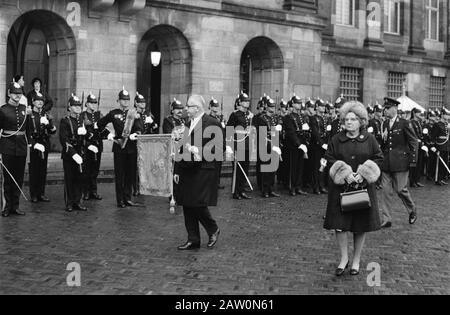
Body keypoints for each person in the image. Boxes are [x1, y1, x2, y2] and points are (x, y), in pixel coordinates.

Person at [324, 101, 383, 276]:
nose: (349, 122)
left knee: (360, 226)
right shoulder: (336, 139)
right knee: (340, 226)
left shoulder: (370, 139)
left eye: (353, 119)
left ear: (361, 121)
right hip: (341, 190)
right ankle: (344, 258)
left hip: (363, 189)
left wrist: (363, 173)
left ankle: (356, 260)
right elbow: (329, 158)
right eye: (346, 119)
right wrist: (345, 173)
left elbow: (379, 158)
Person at [174, 95, 221, 250]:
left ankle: (212, 228)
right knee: (187, 203)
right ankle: (193, 239)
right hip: (187, 168)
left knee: (198, 203)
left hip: (203, 169)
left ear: (198, 108)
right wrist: (177, 170)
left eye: (189, 106)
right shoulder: (187, 124)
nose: (186, 109)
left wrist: (199, 150)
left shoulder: (212, 123)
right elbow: (181, 148)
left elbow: (217, 148)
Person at [97, 88, 143, 208]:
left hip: (131, 147)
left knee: (130, 174)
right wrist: (108, 135)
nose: (126, 102)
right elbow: (99, 124)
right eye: (123, 99)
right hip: (119, 146)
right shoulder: (113, 113)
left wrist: (136, 133)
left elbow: (139, 127)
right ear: (118, 100)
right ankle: (120, 200)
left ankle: (127, 198)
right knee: (120, 174)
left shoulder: (133, 113)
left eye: (128, 99)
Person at [379, 97, 418, 228]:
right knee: (385, 191)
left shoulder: (404, 123)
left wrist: (413, 160)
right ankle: (386, 218)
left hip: (401, 162)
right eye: (385, 108)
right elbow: (384, 144)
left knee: (401, 190)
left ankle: (412, 209)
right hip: (386, 162)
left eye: (387, 108)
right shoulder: (384, 124)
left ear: (395, 109)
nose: (385, 110)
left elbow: (413, 142)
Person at [0, 81, 31, 217]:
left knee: (18, 178)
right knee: (7, 178)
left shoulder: (25, 108)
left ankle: (15, 206)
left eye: (19, 93)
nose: (17, 96)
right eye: (15, 93)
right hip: (7, 146)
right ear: (9, 94)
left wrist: (29, 144)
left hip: (21, 147)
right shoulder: (3, 110)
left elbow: (28, 129)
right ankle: (7, 206)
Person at [59, 95, 88, 212]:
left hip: (80, 154)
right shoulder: (65, 121)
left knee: (79, 179)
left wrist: (84, 134)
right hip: (69, 155)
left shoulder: (81, 120)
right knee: (69, 179)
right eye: (75, 105)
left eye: (79, 105)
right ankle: (69, 202)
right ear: (69, 107)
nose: (77, 108)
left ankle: (78, 201)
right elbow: (64, 139)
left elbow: (85, 139)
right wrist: (73, 154)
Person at [27, 92, 57, 203]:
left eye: (41, 101)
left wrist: (50, 124)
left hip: (44, 144)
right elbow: (27, 132)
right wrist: (34, 144)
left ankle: (41, 193)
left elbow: (51, 131)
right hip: (34, 146)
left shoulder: (45, 114)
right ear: (33, 102)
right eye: (38, 100)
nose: (40, 102)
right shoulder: (30, 115)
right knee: (34, 170)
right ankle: (34, 194)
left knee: (43, 170)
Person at [80, 93, 109, 201]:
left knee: (95, 169)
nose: (93, 105)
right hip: (87, 145)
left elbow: (103, 129)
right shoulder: (82, 115)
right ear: (86, 104)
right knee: (87, 169)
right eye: (91, 103)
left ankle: (94, 191)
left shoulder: (98, 115)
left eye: (94, 103)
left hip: (97, 144)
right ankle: (86, 191)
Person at [227, 92, 254, 200]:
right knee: (238, 170)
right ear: (240, 102)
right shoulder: (235, 115)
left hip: (247, 145)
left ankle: (242, 190)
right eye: (245, 101)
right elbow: (229, 130)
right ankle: (236, 192)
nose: (247, 103)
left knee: (245, 169)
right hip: (238, 144)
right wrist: (231, 146)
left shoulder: (249, 115)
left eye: (248, 101)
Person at [283, 95, 310, 196]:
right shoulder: (288, 117)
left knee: (300, 167)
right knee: (293, 168)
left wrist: (306, 138)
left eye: (300, 103)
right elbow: (291, 132)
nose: (299, 105)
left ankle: (298, 186)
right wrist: (298, 144)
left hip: (302, 144)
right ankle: (292, 187)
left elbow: (305, 131)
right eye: (297, 103)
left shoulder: (302, 117)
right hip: (293, 146)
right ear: (293, 104)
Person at [255, 98, 282, 198]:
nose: (272, 108)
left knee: (273, 169)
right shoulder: (262, 118)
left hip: (274, 144)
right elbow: (263, 135)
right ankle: (265, 190)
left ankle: (271, 189)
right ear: (266, 107)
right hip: (266, 146)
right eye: (270, 106)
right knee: (266, 169)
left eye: (273, 106)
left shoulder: (274, 119)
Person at [208, 97, 226, 190]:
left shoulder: (219, 118)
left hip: (219, 145)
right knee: (212, 166)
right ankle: (211, 183)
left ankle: (217, 182)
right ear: (210, 107)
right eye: (214, 106)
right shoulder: (208, 118)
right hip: (212, 145)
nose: (216, 108)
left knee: (218, 166)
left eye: (217, 106)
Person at [431, 108, 450, 186]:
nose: (448, 116)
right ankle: (437, 179)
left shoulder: (446, 124)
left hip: (446, 146)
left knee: (444, 162)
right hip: (440, 145)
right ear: (442, 115)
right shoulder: (437, 124)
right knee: (439, 163)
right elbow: (433, 136)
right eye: (446, 114)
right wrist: (432, 145)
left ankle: (441, 178)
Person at [409, 108, 426, 188]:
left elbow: (420, 133)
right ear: (414, 113)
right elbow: (412, 134)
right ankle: (412, 181)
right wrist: (417, 140)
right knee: (413, 164)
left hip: (420, 145)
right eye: (418, 113)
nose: (420, 114)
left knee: (419, 163)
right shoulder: (411, 122)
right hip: (414, 145)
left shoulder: (418, 122)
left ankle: (417, 180)